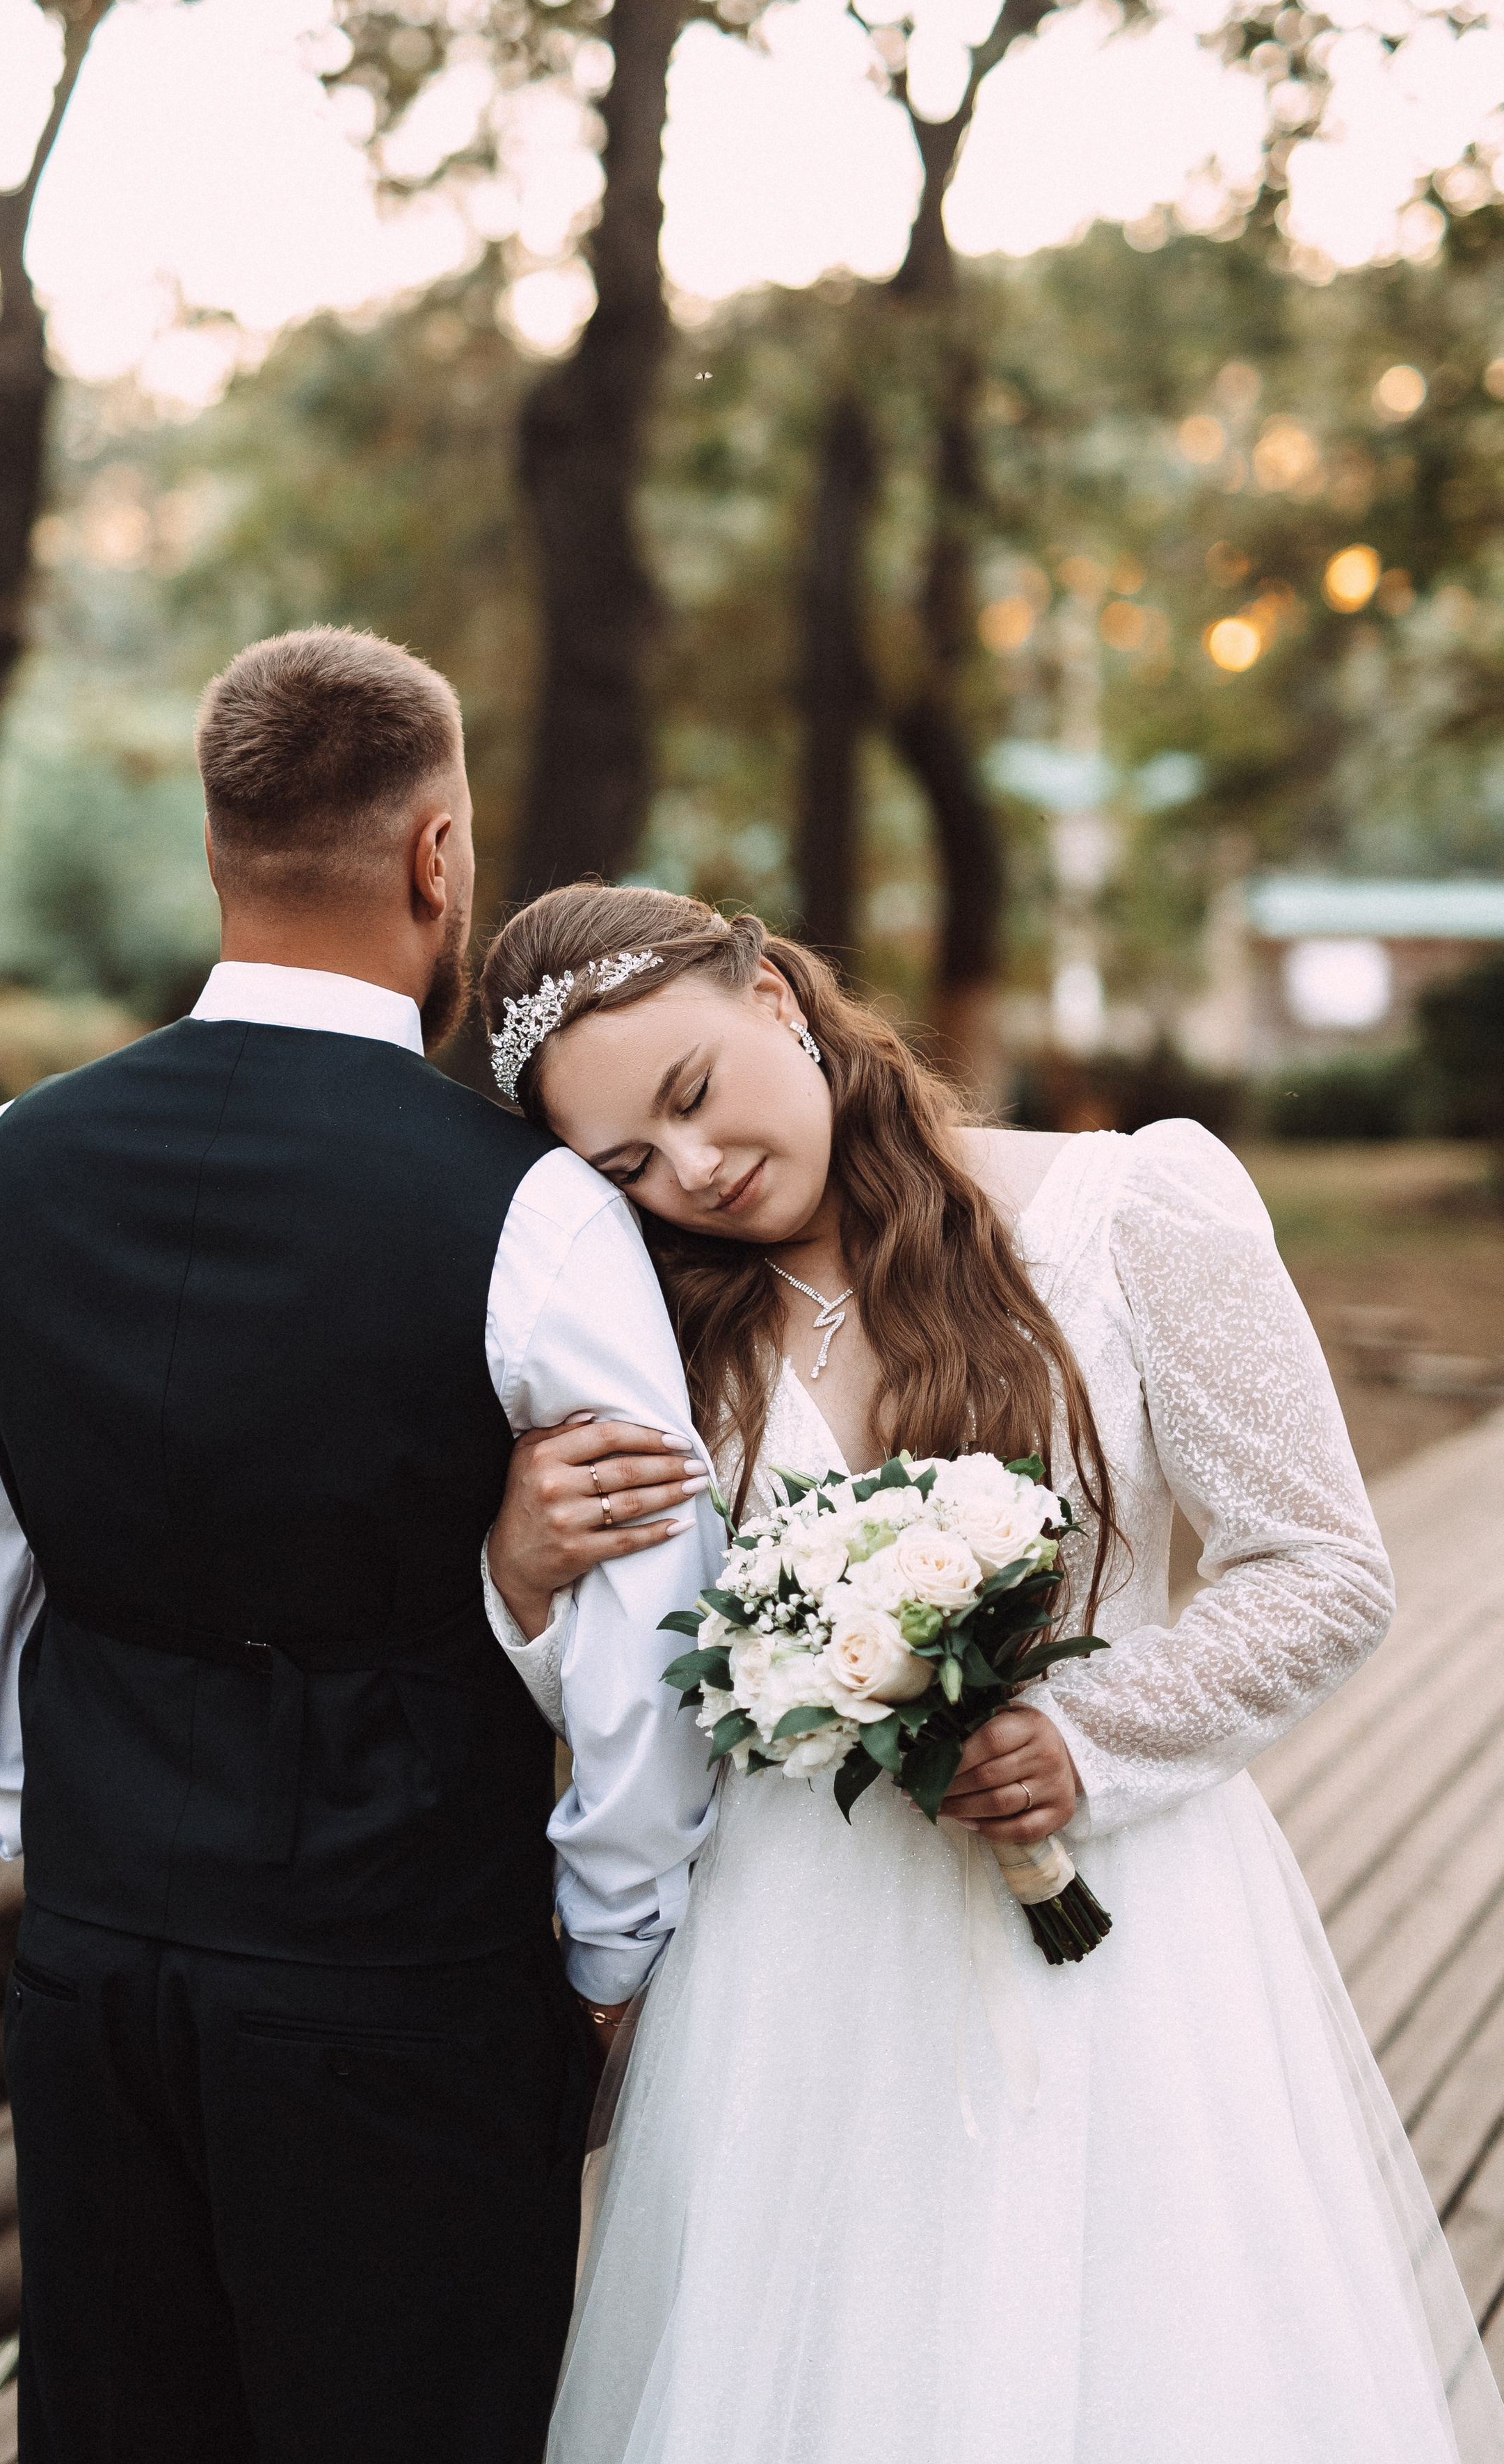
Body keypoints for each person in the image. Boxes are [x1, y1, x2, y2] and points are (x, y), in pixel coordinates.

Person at [479, 883, 1504, 2464]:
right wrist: (526, 1581)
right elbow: (646, 1702)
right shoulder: (650, 1332)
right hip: (790, 1964)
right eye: (628, 1166)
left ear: (772, 997)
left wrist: (1078, 1737)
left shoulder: (1129, 1211)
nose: (691, 1171)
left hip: (1115, 1945)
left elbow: (1318, 1567)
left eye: (690, 1097)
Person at [0, 629, 721, 2464]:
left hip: (101, 1965)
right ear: (439, 855)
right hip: (408, 1978)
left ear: (217, 851)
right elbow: (658, 1610)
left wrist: (65, 1834)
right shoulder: (538, 1212)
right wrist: (607, 1949)